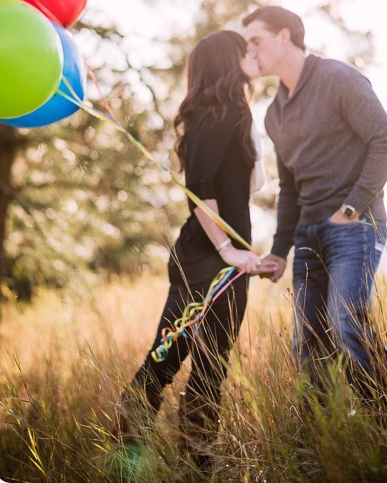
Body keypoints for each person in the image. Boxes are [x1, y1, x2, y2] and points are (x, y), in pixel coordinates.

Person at [113, 30, 275, 467]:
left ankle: (194, 466)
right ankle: (130, 464)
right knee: (169, 364)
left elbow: (241, 185)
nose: (254, 54)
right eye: (246, 49)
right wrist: (226, 249)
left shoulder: (229, 113)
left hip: (221, 259)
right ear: (228, 60)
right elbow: (199, 188)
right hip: (207, 261)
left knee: (206, 369)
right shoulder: (220, 115)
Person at [242, 5, 387, 409]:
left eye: (256, 41)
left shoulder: (338, 78)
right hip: (308, 235)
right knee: (308, 344)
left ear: (285, 37)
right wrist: (280, 252)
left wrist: (350, 209)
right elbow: (291, 190)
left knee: (347, 322)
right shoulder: (274, 114)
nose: (249, 52)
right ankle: (319, 446)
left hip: (354, 227)